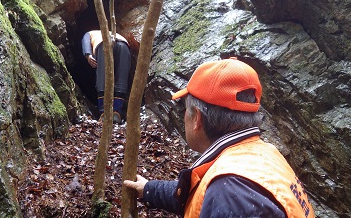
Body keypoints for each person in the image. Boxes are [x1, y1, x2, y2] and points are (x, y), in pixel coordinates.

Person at [124, 57, 315, 217]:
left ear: (197, 118)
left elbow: (225, 198)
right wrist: (150, 189)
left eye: (185, 109)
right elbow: (199, 194)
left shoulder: (229, 193)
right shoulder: (263, 154)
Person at [81, 30, 131, 124]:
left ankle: (104, 113)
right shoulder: (114, 32)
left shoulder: (90, 33)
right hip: (124, 45)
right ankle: (117, 112)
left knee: (102, 77)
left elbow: (85, 41)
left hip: (104, 43)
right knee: (121, 77)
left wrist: (88, 55)